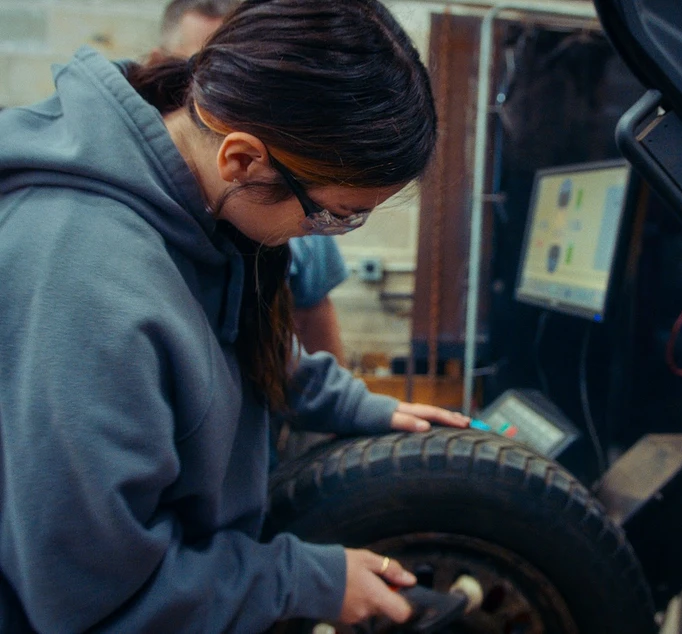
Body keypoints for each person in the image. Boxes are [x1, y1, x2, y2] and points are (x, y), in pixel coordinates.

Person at [0, 0, 470, 631]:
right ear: (243, 160)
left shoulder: (197, 200)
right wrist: (304, 581)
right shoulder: (83, 286)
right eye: (331, 215)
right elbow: (91, 600)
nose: (322, 234)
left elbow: (220, 339)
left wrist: (353, 404)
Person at [151, 0, 350, 365]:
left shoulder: (294, 205)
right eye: (198, 70)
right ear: (158, 61)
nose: (225, 100)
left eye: (243, 77)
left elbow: (309, 331)